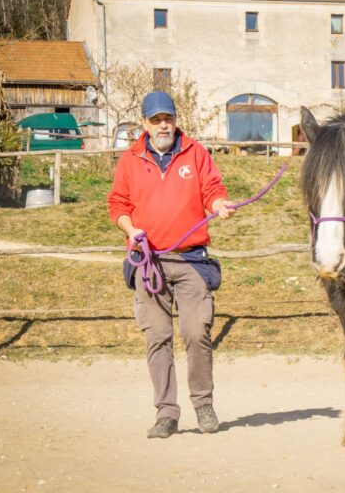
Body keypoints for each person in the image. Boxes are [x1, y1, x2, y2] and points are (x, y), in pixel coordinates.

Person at [108, 91, 235, 439]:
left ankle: (204, 405)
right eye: (156, 119)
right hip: (149, 263)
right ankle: (166, 413)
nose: (163, 125)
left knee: (197, 333)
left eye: (168, 118)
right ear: (145, 123)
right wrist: (131, 230)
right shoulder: (130, 160)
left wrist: (219, 205)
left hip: (191, 260)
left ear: (176, 120)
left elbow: (212, 190)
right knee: (158, 338)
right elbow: (117, 204)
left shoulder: (195, 153)